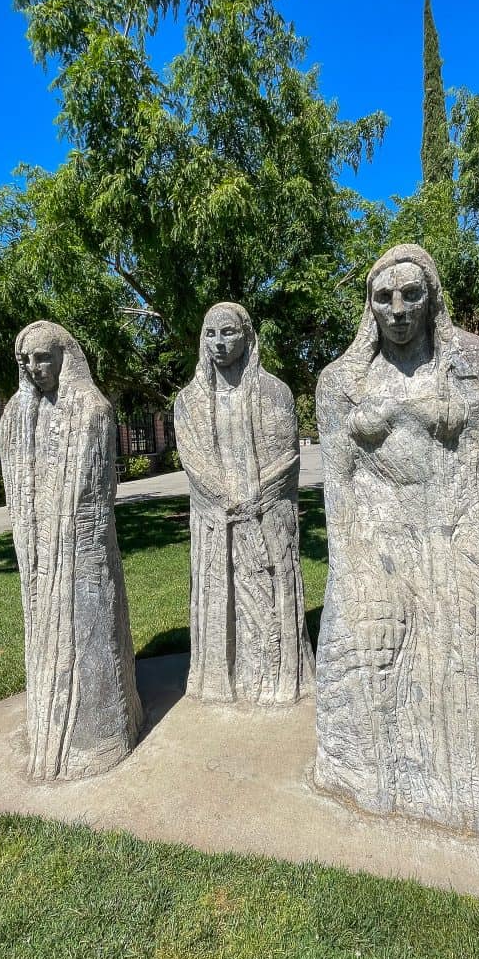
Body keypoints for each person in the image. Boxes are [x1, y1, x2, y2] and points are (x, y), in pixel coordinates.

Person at [314, 245, 479, 834]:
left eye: (411, 295)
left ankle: (471, 797)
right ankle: (371, 779)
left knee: (468, 666)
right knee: (368, 661)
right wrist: (354, 556)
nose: (397, 309)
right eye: (383, 297)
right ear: (368, 305)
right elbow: (338, 486)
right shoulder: (342, 382)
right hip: (377, 537)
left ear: (432, 298)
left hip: (452, 534)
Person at [0, 320, 142, 781]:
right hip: (39, 553)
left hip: (82, 549)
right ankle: (48, 727)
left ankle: (102, 735)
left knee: (92, 631)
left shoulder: (91, 410)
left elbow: (96, 493)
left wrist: (70, 538)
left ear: (65, 355)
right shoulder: (15, 416)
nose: (36, 367)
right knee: (45, 629)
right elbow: (18, 488)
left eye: (44, 357)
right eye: (27, 360)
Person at [174, 302, 315, 705]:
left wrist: (253, 499)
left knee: (268, 600)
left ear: (247, 336)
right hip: (216, 524)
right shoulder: (188, 402)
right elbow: (193, 461)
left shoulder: (274, 392)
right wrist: (224, 500)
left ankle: (278, 679)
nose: (218, 343)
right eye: (210, 334)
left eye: (228, 332)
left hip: (266, 517)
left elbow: (287, 457)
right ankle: (218, 681)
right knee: (220, 600)